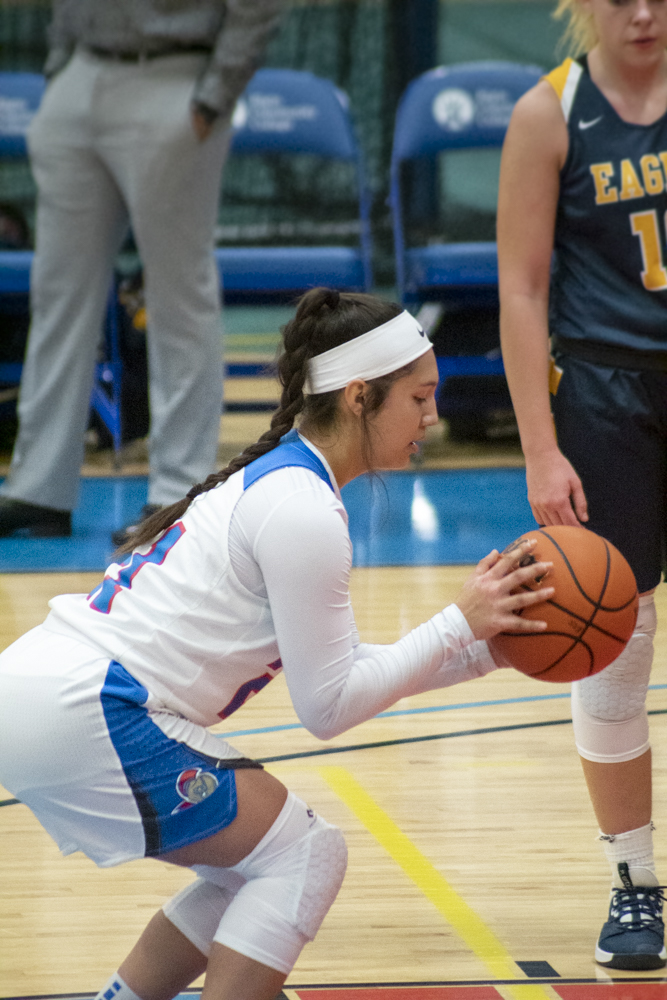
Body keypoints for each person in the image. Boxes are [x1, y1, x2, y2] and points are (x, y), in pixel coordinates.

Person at [0, 288, 553, 1000]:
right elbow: (327, 707)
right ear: (359, 397)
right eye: (418, 398)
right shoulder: (302, 509)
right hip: (89, 708)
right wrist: (455, 622)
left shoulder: (289, 483)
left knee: (254, 869)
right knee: (306, 856)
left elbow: (346, 668)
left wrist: (483, 651)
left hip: (51, 693)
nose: (432, 417)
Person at [497, 0, 667, 972]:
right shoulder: (547, 114)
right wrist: (537, 448)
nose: (640, 12)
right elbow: (520, 286)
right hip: (601, 391)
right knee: (613, 633)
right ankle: (636, 884)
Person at [0, 0, 284, 543]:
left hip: (176, 74)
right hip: (80, 75)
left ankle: (179, 492)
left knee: (178, 295)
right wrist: (61, 67)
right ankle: (38, 489)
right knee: (56, 294)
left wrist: (213, 96)